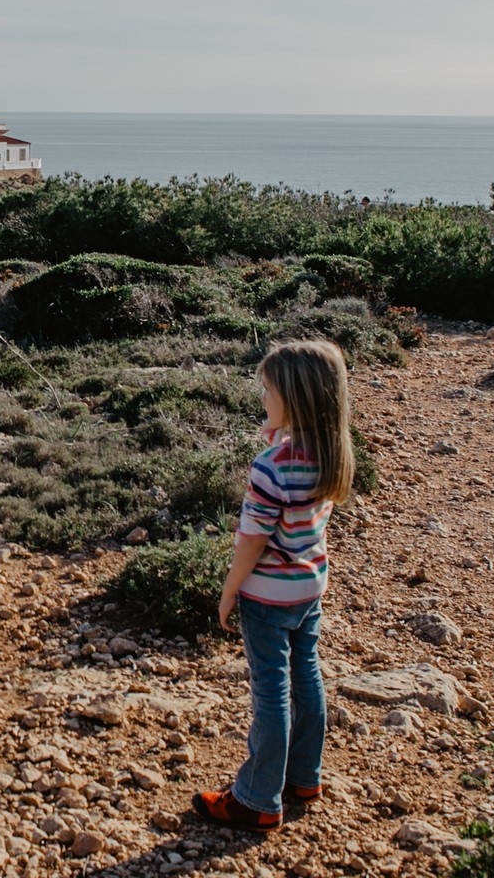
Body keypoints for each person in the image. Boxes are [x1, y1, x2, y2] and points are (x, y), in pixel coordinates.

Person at [194, 339, 354, 834]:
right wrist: (276, 436)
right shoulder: (332, 455)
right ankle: (304, 777)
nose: (262, 398)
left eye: (268, 391)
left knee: (271, 692)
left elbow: (251, 541)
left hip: (266, 595)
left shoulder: (272, 466)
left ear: (295, 397)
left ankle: (258, 798)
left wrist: (228, 592)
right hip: (309, 587)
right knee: (307, 677)